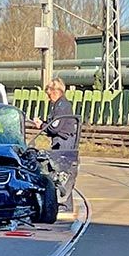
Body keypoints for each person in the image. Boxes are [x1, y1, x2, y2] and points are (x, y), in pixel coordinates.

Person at [32, 77, 78, 214]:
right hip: (61, 141)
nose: (48, 97)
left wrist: (42, 125)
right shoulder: (58, 105)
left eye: (48, 93)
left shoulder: (62, 106)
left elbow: (55, 128)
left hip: (64, 142)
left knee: (62, 172)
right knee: (59, 171)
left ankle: (64, 204)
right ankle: (64, 203)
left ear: (55, 91)